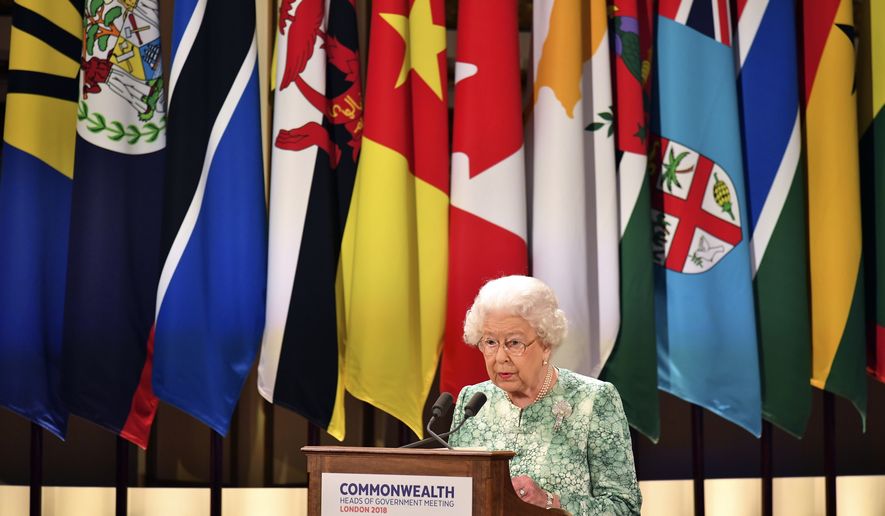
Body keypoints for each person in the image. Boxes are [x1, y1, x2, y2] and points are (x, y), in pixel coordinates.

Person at [448, 275, 641, 515]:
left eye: (514, 343)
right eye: (490, 342)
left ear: (546, 345)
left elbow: (625, 507)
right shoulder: (473, 401)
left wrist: (550, 501)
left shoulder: (593, 400)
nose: (500, 357)